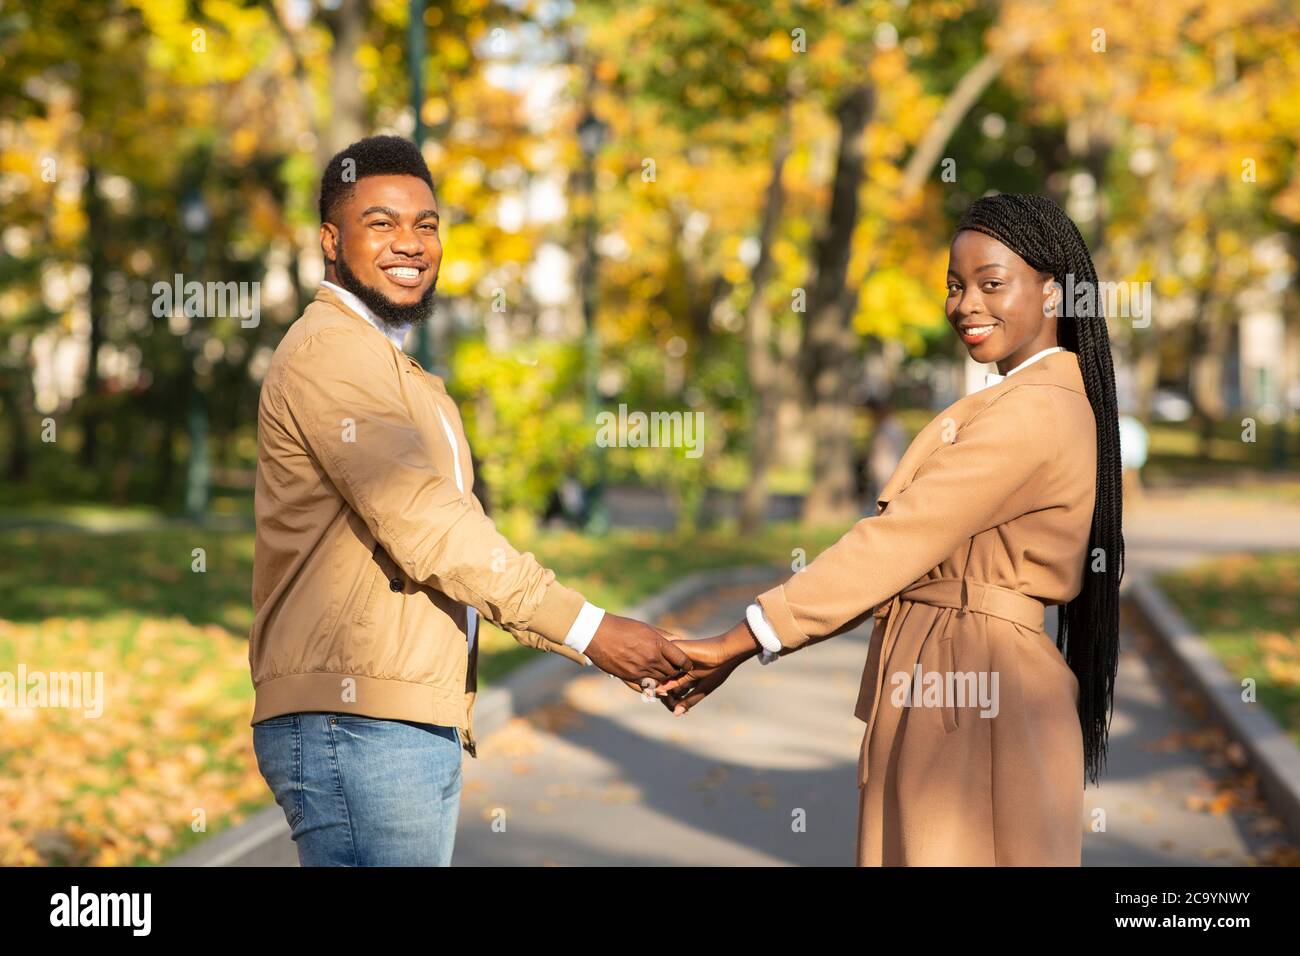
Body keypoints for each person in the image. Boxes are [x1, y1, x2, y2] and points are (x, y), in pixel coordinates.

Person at [248, 135, 690, 866]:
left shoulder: (387, 361)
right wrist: (587, 630)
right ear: (331, 240)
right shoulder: (334, 353)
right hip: (356, 724)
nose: (411, 243)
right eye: (382, 223)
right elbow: (432, 529)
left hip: (391, 717)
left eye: (426, 225)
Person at [659, 192, 1125, 866]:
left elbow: (895, 543)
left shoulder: (1036, 411)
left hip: (974, 689)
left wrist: (741, 639)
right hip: (960, 679)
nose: (966, 304)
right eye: (955, 285)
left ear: (1054, 294)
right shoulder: (1021, 399)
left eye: (992, 284)